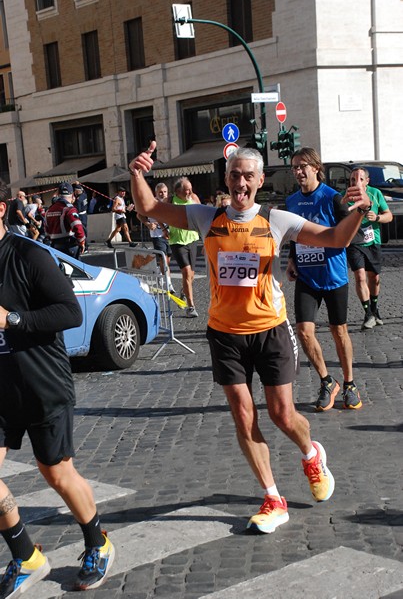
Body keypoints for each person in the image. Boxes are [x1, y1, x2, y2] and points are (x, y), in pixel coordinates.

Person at [129, 141, 370, 534]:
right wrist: (138, 173)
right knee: (243, 415)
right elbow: (149, 209)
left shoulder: (277, 220)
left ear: (259, 180)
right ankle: (273, 497)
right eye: (234, 175)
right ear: (226, 179)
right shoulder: (207, 217)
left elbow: (334, 239)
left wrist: (359, 211)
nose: (240, 182)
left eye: (247, 176)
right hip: (224, 334)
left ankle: (311, 454)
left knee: (282, 415)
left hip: (270, 331)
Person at [0, 198, 115, 596]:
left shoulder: (27, 255)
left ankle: (98, 543)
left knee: (57, 473)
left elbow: (70, 312)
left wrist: (13, 319)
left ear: (0, 209)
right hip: (0, 391)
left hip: (42, 384)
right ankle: (26, 556)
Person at [285, 147, 362, 412]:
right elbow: (295, 233)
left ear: (317, 168)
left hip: (333, 275)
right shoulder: (292, 201)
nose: (298, 171)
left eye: (302, 166)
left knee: (338, 331)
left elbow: (349, 235)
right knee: (304, 332)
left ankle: (350, 383)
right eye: (294, 167)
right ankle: (327, 381)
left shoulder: (333, 198)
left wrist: (355, 266)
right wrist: (292, 258)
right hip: (307, 275)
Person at [346, 167, 393, 329]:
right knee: (359, 276)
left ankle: (374, 308)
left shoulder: (375, 193)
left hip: (373, 241)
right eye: (352, 179)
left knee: (374, 277)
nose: (355, 182)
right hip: (354, 243)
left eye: (359, 179)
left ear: (367, 181)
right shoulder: (347, 196)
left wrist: (377, 217)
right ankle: (367, 314)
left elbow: (389, 215)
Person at [169, 177, 200, 317]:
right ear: (178, 191)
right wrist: (163, 229)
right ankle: (191, 307)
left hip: (192, 239)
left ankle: (183, 290)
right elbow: (156, 213)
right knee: (186, 272)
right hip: (177, 241)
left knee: (191, 275)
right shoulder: (170, 201)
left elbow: (202, 214)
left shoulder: (194, 197)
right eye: (187, 190)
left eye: (191, 189)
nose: (190, 192)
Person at [138, 183, 176, 293]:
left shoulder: (170, 202)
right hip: (157, 234)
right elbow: (139, 215)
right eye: (160, 192)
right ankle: (169, 285)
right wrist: (148, 224)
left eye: (164, 192)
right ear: (156, 193)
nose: (162, 194)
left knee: (167, 259)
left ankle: (160, 271)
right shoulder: (151, 202)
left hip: (170, 234)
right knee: (164, 259)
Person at [44, 182, 86, 259]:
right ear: (73, 195)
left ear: (58, 194)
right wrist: (81, 241)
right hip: (69, 246)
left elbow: (46, 230)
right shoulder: (69, 209)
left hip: (54, 246)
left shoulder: (49, 210)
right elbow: (77, 226)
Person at [73, 183, 89, 253]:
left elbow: (77, 210)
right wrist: (79, 184)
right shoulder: (84, 195)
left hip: (80, 216)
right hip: (85, 215)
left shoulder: (78, 200)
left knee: (82, 231)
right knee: (84, 230)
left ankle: (85, 246)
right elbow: (84, 191)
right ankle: (85, 246)